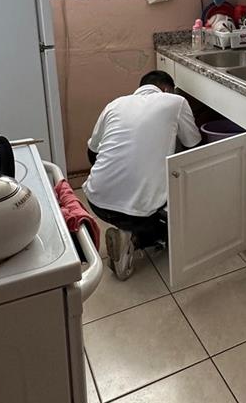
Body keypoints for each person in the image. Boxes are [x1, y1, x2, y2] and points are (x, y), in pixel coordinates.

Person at [83, 70, 200, 278]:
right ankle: (133, 239)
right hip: (142, 213)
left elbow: (92, 153)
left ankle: (124, 232)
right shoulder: (176, 101)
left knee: (136, 199)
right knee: (171, 227)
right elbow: (195, 146)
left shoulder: (115, 104)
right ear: (166, 89)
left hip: (96, 200)